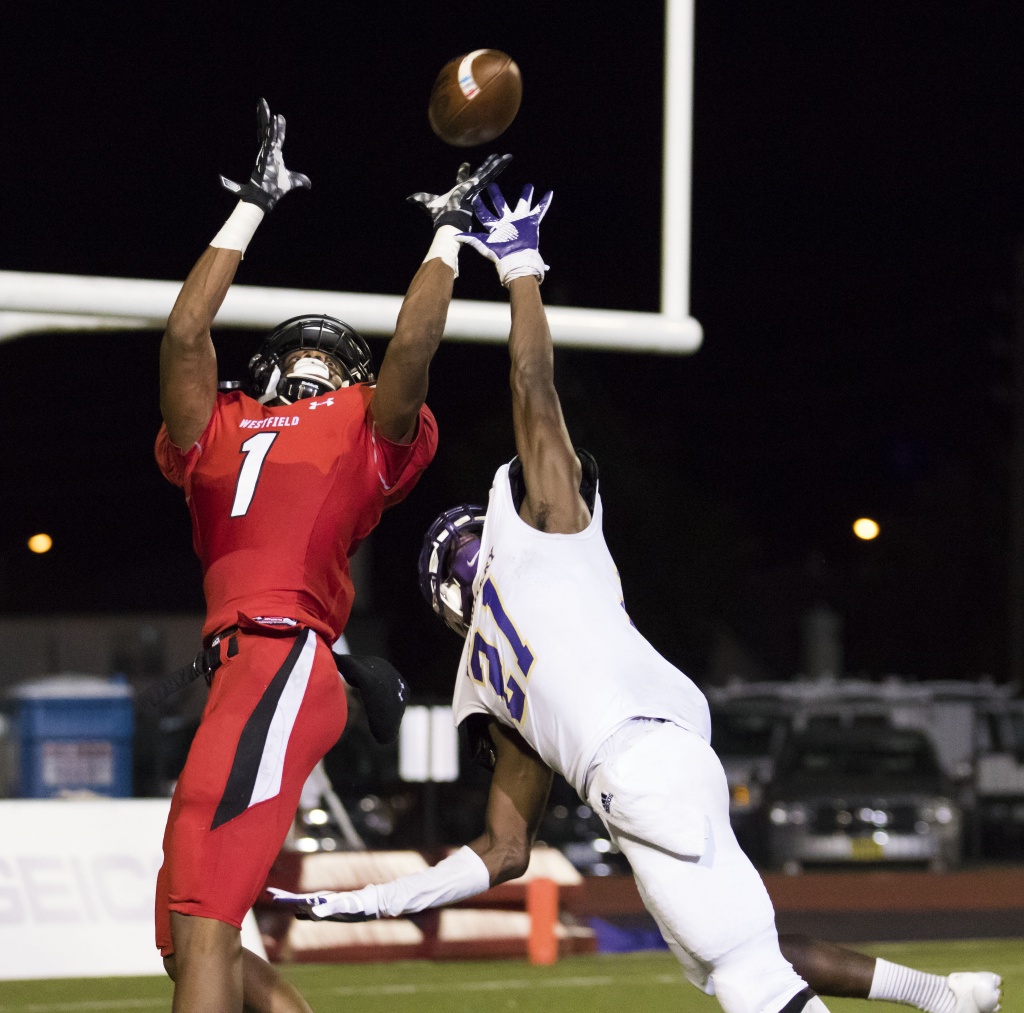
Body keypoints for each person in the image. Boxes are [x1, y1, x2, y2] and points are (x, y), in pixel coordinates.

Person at [271, 181, 1003, 1013]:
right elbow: (533, 387)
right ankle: (942, 996)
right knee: (736, 955)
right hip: (676, 753)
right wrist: (519, 270)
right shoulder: (536, 565)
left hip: (633, 769)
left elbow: (500, 851)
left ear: (444, 597)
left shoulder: (489, 667)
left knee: (743, 973)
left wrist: (385, 898)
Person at [153, 97, 508, 1013]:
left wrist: (445, 237)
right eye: (300, 345)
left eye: (331, 352)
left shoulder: (363, 427)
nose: (314, 356)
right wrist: (251, 207)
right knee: (182, 930)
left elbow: (416, 348)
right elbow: (185, 335)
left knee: (201, 910)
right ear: (262, 368)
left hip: (283, 655)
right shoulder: (217, 425)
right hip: (238, 669)